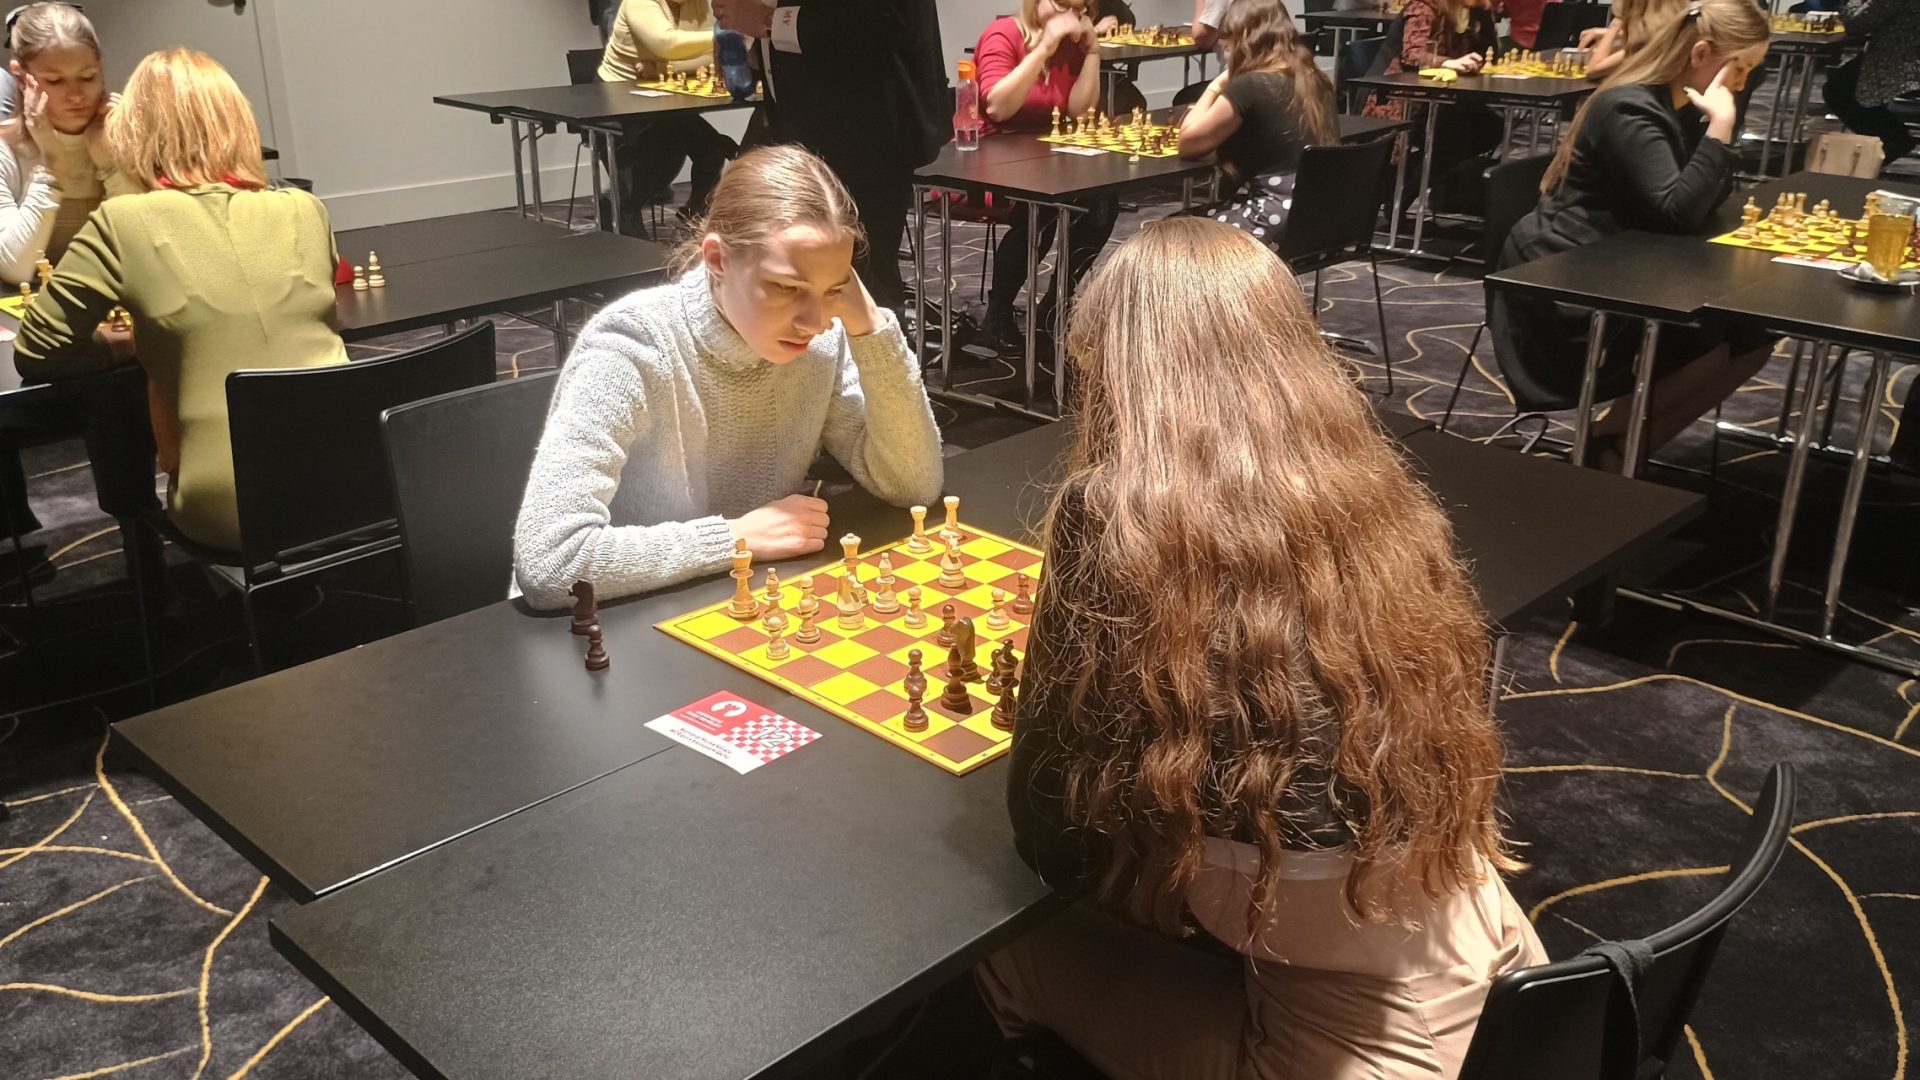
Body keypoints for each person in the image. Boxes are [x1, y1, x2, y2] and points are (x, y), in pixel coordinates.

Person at [979, 217, 1545, 1079]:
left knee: (1006, 946)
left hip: (1360, 1055)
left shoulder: (1114, 510)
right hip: (1500, 975)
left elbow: (1046, 827)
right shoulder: (1363, 477)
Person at [511, 145, 944, 609]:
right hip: (614, 618)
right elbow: (552, 563)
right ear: (717, 260)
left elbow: (913, 484)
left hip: (737, 601)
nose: (814, 321)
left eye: (832, 291)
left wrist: (870, 328)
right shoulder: (631, 345)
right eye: (787, 288)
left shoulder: (822, 341)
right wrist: (735, 538)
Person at [13, 47, 349, 553]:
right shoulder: (306, 208)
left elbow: (37, 352)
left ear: (132, 134)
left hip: (231, 512)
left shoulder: (123, 221)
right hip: (358, 484)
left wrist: (123, 347)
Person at [1492, 0, 1772, 470]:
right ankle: (1610, 450)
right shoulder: (1631, 106)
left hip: (1621, 264)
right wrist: (1721, 128)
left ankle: (1617, 450)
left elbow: (1699, 202)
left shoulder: (1678, 103)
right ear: (1701, 53)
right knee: (1710, 340)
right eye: (1739, 68)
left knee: (1751, 340)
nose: (1743, 84)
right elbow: (1678, 213)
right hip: (1563, 283)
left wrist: (1716, 130)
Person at [708, 0, 945, 321]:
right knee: (801, 276)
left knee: (863, 281)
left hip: (865, 136)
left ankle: (879, 353)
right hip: (798, 130)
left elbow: (882, 21)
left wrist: (770, 21)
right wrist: (747, 39)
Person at [974, 0, 1119, 352]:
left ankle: (1056, 303)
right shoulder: (1003, 34)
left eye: (1082, 10)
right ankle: (998, 312)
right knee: (1042, 208)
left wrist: (1093, 54)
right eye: (1063, 5)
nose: (1073, 17)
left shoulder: (1071, 47)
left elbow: (1080, 112)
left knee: (1102, 201)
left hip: (1047, 155)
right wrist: (1043, 48)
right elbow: (997, 107)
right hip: (988, 158)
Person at [1177, 0, 1338, 243]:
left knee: (1170, 232)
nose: (1228, 52)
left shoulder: (1250, 85)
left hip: (1272, 217)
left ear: (1243, 40)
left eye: (1229, 44)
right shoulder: (1316, 80)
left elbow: (1188, 143)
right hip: (1324, 218)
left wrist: (1217, 84)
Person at [0, 2, 136, 284]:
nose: (76, 95)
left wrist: (112, 166)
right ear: (21, 77)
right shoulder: (6, 150)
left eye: (88, 77)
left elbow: (141, 251)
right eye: (55, 80)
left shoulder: (130, 137)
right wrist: (53, 166)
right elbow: (15, 269)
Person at [597, 0, 737, 224]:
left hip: (665, 97)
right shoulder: (639, 3)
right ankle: (619, 212)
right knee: (658, 164)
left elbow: (710, 55)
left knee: (712, 148)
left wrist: (663, 68)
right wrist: (723, 34)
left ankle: (696, 210)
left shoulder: (697, 4)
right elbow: (668, 45)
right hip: (621, 100)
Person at [1361, 0, 1502, 211]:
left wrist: (1485, 16)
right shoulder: (1424, 7)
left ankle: (1408, 187)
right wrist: (1447, 62)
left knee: (1487, 127)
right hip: (1399, 99)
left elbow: (1489, 53)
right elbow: (1412, 54)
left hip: (1442, 99)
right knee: (1456, 133)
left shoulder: (1469, 12)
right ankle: (1400, 190)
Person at [1823, 0, 1920, 166]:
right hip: (1906, 56)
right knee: (1844, 83)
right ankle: (1892, 138)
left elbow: (1857, 23)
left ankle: (1892, 139)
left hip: (1900, 64)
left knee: (1838, 90)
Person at [1578, 0, 1688, 81]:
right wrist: (1607, 33)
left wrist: (1615, 26)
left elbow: (1594, 69)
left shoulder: (1646, 44)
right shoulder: (1677, 27)